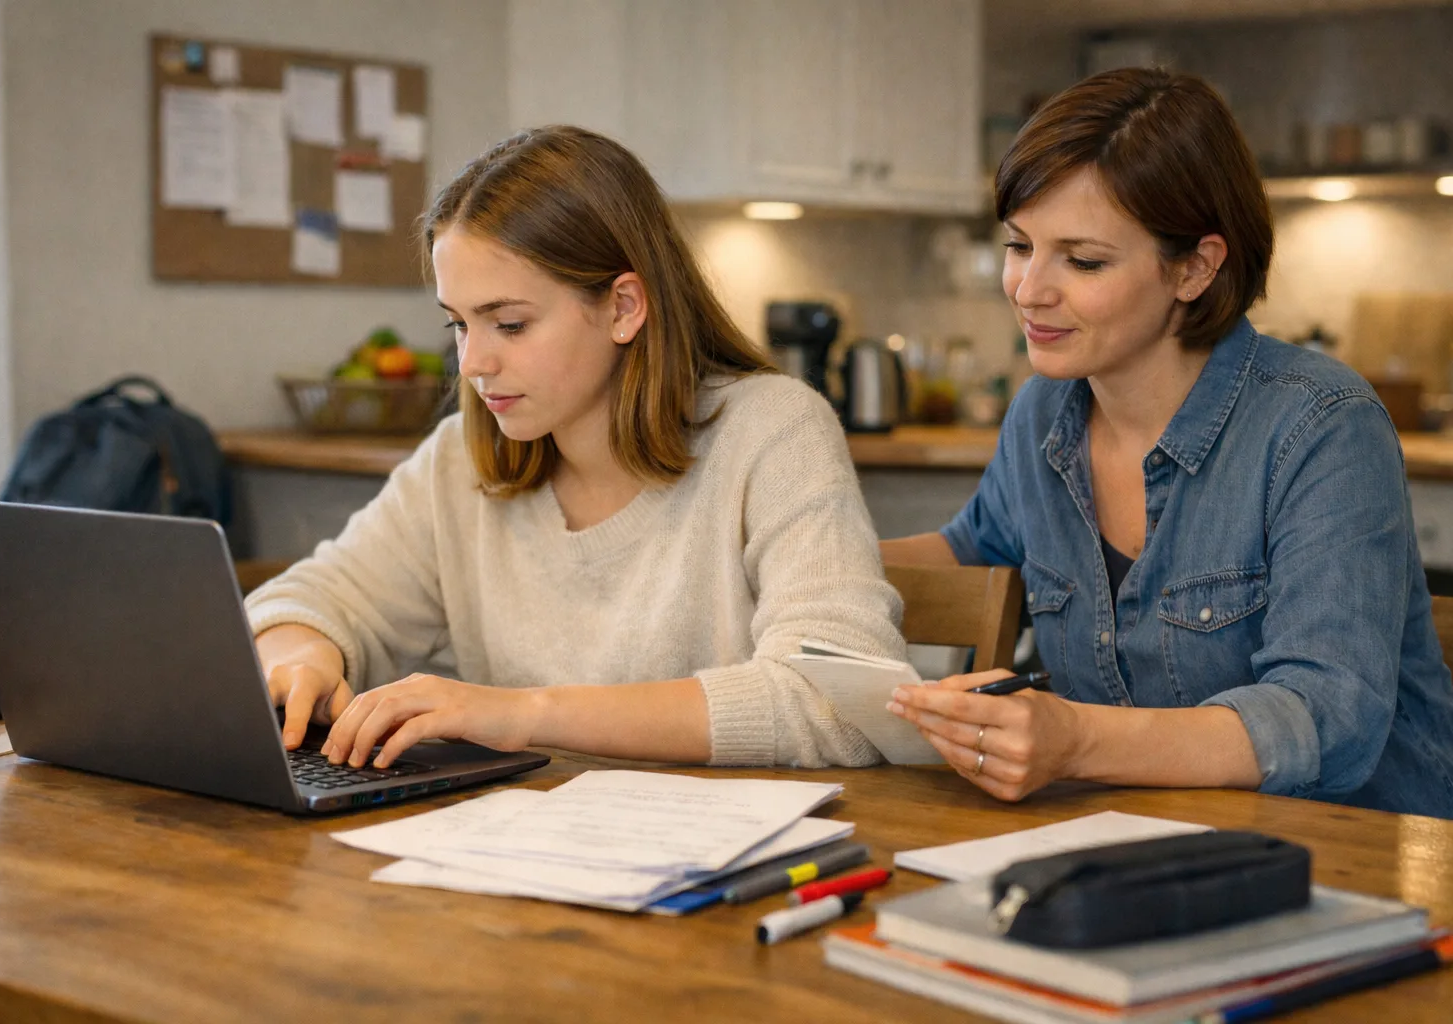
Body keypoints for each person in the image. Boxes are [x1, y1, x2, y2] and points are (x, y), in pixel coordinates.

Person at [882, 67, 1453, 819]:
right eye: (1021, 246)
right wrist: (780, 551)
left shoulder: (1321, 424)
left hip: (1354, 863)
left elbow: (1328, 719)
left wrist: (1076, 738)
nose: (1028, 289)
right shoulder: (1044, 413)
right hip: (1137, 843)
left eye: (1082, 260)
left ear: (1195, 267)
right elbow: (971, 551)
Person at [246, 125, 904, 772]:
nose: (473, 363)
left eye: (509, 324)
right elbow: (316, 598)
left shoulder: (775, 432)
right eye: (458, 324)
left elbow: (839, 704)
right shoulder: (459, 461)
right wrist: (299, 656)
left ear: (623, 307)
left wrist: (522, 714)